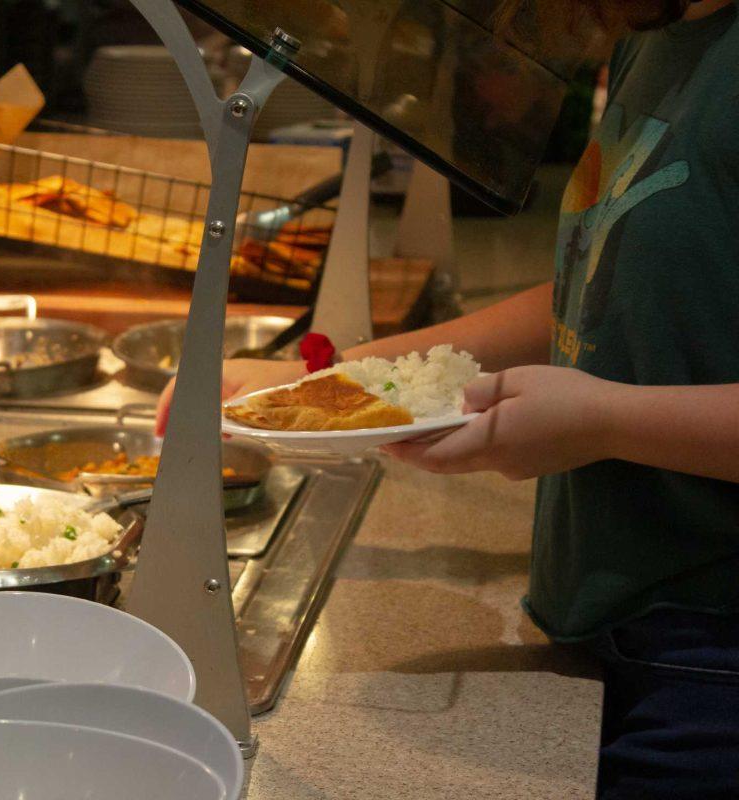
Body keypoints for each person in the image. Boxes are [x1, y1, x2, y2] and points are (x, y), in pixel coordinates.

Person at [156, 1, 739, 797]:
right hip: (608, 617)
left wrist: (606, 420)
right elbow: (602, 279)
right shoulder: (654, 35)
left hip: (710, 661)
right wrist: (330, 381)